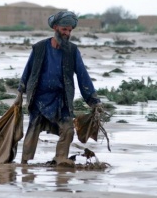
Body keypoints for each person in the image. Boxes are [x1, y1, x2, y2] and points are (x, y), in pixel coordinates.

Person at [14, 10, 102, 166]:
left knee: (68, 130)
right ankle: (24, 164)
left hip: (61, 100)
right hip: (39, 99)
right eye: (64, 29)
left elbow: (83, 76)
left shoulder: (72, 51)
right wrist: (20, 92)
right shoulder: (39, 48)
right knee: (32, 131)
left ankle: (60, 159)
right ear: (55, 28)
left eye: (69, 30)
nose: (67, 33)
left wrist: (93, 100)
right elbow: (27, 71)